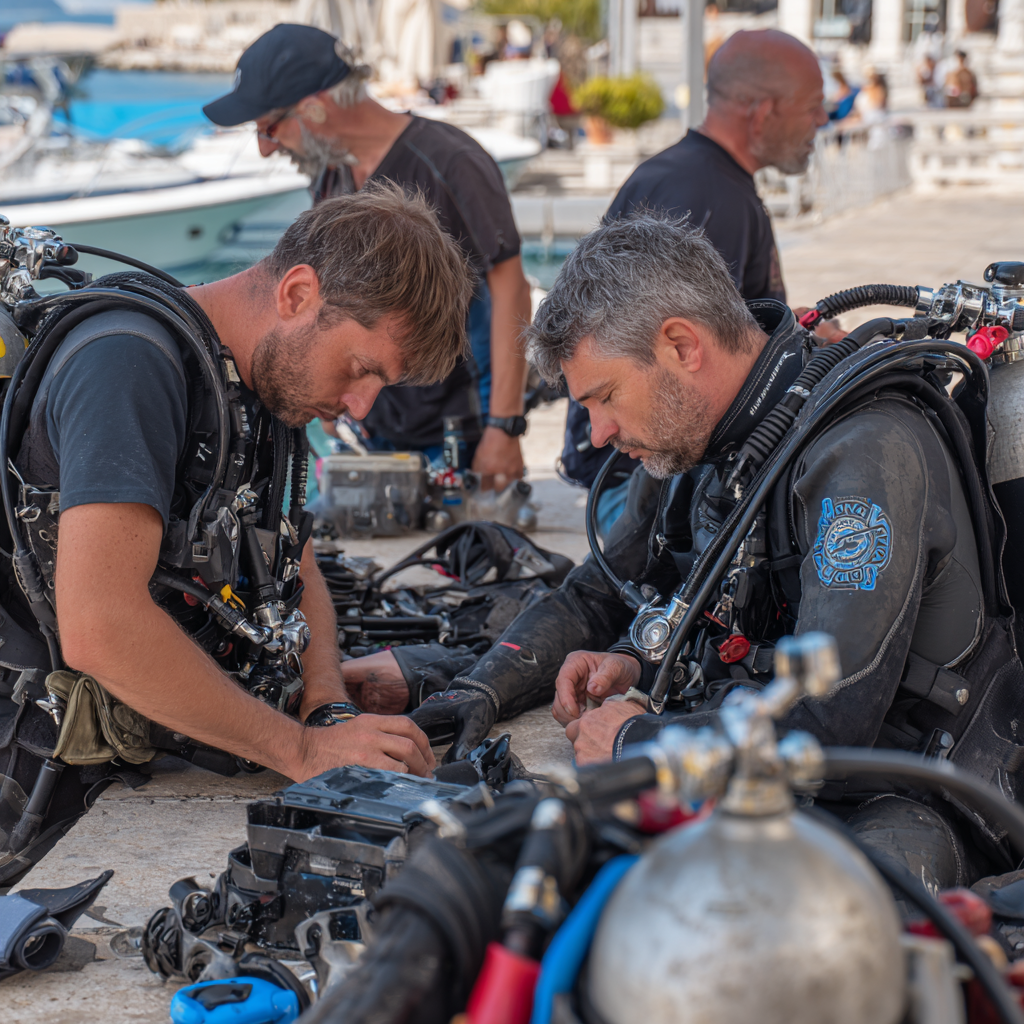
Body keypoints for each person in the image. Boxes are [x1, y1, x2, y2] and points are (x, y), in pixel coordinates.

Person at [415, 211, 1024, 890]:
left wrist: (634, 742)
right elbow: (596, 590)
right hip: (773, 761)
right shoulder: (702, 440)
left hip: (911, 797)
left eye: (605, 396)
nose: (597, 433)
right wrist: (485, 685)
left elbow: (833, 721)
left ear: (681, 345)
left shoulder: (864, 450)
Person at [0, 185, 472, 885]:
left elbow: (293, 557)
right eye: (361, 370)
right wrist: (305, 753)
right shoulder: (129, 366)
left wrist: (327, 701)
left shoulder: (255, 384)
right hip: (32, 776)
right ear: (298, 292)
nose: (359, 407)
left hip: (143, 742)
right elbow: (101, 624)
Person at [204, 24, 533, 490]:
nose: (264, 149)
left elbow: (512, 290)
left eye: (268, 127)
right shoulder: (331, 176)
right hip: (371, 426)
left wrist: (505, 424)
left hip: (458, 430)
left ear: (315, 106)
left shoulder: (451, 161)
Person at [561, 29, 831, 534]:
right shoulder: (704, 199)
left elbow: (729, 343)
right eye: (813, 105)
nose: (822, 119)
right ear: (763, 110)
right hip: (644, 490)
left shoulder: (698, 180)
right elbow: (681, 365)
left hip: (648, 477)